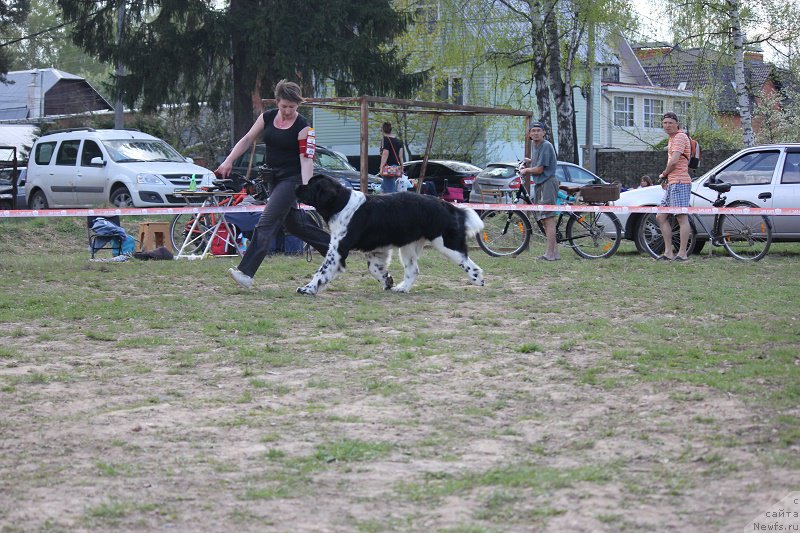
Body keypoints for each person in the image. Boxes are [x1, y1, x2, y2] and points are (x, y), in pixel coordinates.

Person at [216, 79, 330, 289]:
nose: (287, 111)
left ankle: (246, 273)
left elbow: (306, 160)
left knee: (266, 221)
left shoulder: (304, 127)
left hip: (292, 180)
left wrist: (307, 187)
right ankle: (335, 250)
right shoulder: (266, 117)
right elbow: (247, 139)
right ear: (277, 102)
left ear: (298, 105)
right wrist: (229, 160)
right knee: (294, 224)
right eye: (284, 106)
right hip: (273, 179)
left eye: (292, 107)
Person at [519, 121, 559, 261]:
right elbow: (539, 162)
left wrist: (526, 170)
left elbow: (540, 169)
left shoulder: (546, 145)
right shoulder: (536, 146)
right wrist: (529, 161)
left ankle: (550, 254)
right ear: (530, 134)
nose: (535, 133)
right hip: (540, 184)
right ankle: (554, 252)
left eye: (538, 130)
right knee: (544, 218)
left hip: (547, 183)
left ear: (543, 133)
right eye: (533, 131)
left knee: (548, 218)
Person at [655, 112, 692, 261]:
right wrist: (667, 178)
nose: (667, 125)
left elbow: (674, 161)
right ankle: (668, 252)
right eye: (665, 123)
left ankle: (682, 253)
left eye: (670, 123)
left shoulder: (680, 137)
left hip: (680, 182)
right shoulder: (672, 138)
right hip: (673, 182)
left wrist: (664, 174)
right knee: (660, 216)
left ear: (677, 124)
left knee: (682, 218)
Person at [378, 122, 404, 193]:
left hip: (389, 168)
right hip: (396, 167)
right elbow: (401, 156)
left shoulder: (385, 139)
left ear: (382, 130)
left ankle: (393, 200)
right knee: (383, 190)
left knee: (390, 191)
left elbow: (385, 154)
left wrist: (381, 167)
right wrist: (402, 168)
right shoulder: (398, 141)